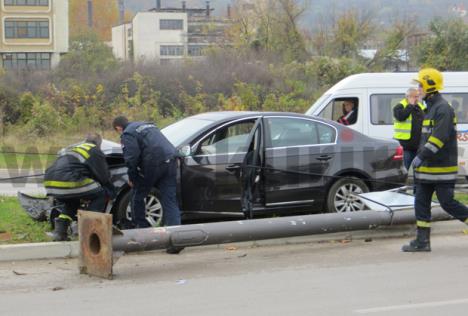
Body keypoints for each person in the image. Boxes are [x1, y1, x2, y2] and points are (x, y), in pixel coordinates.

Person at [402, 68, 468, 252]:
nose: (418, 89)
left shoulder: (443, 109)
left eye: (420, 85)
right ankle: (422, 242)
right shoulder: (430, 108)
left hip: (441, 169)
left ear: (430, 86)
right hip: (427, 170)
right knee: (421, 203)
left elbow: (438, 139)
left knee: (447, 203)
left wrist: (420, 157)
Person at [112, 116, 183, 254]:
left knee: (137, 196)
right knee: (170, 201)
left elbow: (131, 158)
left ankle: (142, 234)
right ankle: (177, 240)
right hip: (171, 161)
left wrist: (133, 177)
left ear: (118, 128)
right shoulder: (148, 125)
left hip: (153, 165)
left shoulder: (128, 133)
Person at [44, 134, 115, 241]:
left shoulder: (72, 148)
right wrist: (111, 192)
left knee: (71, 203)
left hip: (50, 183)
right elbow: (103, 176)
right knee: (100, 194)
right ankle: (90, 229)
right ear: (99, 143)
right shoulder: (94, 150)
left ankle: (60, 233)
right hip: (69, 181)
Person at [393, 87, 426, 170]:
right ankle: (403, 183)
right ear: (408, 97)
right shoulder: (399, 106)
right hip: (405, 147)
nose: (417, 99)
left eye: (417, 96)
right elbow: (401, 117)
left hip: (419, 146)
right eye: (414, 96)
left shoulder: (420, 107)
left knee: (418, 170)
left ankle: (417, 183)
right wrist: (410, 105)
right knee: (403, 170)